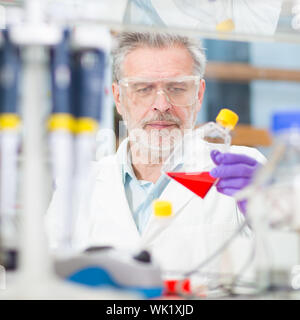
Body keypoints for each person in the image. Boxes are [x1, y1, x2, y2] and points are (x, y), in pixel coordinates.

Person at [46, 31, 265, 274]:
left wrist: (269, 213)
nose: (161, 105)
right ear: (118, 98)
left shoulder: (242, 171)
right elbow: (45, 277)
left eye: (177, 88)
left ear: (199, 94)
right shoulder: (78, 185)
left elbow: (285, 261)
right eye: (143, 89)